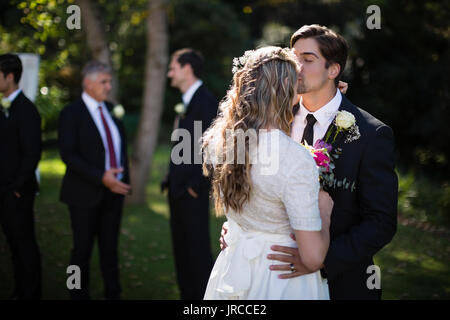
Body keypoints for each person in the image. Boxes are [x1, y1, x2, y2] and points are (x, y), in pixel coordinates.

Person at [220, 25, 398, 300]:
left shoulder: (371, 135)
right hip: (267, 277)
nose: (297, 67)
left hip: (340, 282)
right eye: (294, 58)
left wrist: (322, 260)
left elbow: (381, 221)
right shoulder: (272, 119)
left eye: (308, 59)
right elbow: (249, 180)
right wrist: (239, 228)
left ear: (333, 70)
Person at [202, 46, 334, 299]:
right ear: (285, 85)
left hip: (233, 267)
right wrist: (325, 214)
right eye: (297, 79)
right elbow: (314, 257)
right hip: (280, 277)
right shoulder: (294, 158)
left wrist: (234, 228)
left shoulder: (220, 143)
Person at [58, 61, 131, 300]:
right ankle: (77, 294)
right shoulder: (71, 113)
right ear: (87, 83)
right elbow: (68, 155)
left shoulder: (111, 109)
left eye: (109, 82)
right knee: (81, 251)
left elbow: (119, 149)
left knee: (110, 250)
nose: (109, 87)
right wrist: (101, 177)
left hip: (114, 194)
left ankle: (114, 293)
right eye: (104, 82)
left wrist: (120, 181)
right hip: (83, 194)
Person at [161, 48, 218, 299]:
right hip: (177, 190)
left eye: (173, 67)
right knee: (182, 253)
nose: (169, 73)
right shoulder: (185, 103)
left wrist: (197, 184)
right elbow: (183, 148)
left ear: (187, 69)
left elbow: (214, 149)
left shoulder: (205, 102)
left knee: (197, 254)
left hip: (192, 192)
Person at [0, 53, 42, 300]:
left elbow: (32, 153)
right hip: (3, 190)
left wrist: (16, 188)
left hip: (18, 192)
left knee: (25, 246)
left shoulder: (27, 110)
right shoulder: (2, 107)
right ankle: (19, 290)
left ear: (10, 76)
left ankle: (31, 293)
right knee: (12, 247)